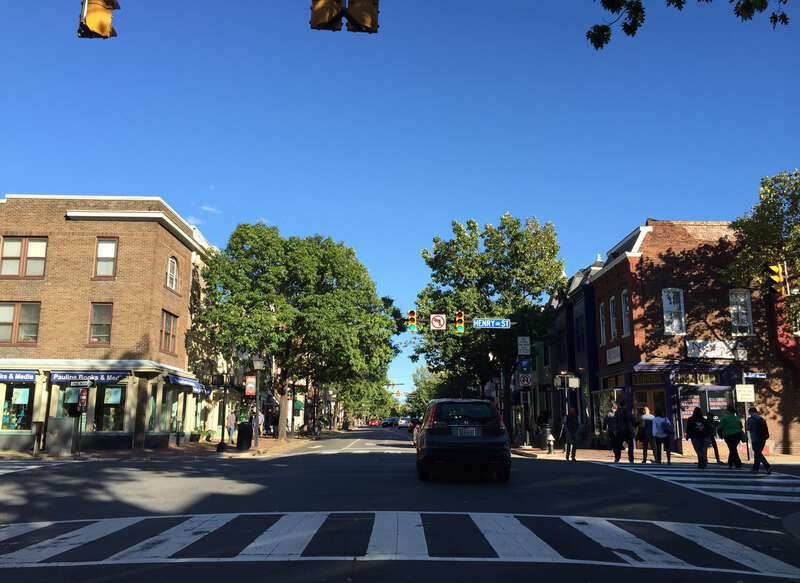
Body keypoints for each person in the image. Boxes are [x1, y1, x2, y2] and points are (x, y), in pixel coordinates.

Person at [746, 407, 772, 474]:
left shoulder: (749, 420)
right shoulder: (762, 419)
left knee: (758, 453)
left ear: (751, 412)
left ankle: (767, 466)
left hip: (755, 438)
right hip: (763, 438)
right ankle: (755, 467)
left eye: (749, 413)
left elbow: (747, 429)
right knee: (758, 453)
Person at [614, 400, 635, 464]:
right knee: (630, 445)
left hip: (620, 430)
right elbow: (633, 420)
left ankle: (617, 458)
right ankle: (631, 459)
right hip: (628, 429)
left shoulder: (617, 412)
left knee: (618, 445)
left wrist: (615, 429)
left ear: (620, 405)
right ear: (625, 405)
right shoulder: (629, 411)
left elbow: (615, 421)